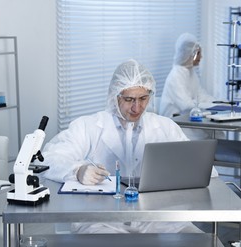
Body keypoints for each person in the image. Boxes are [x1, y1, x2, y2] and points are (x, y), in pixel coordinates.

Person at [42, 59, 217, 234]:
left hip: (158, 217)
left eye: (143, 98)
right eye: (129, 99)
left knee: (198, 245)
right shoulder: (88, 126)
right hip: (101, 220)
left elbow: (202, 169)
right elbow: (48, 159)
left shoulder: (165, 127)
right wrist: (77, 170)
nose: (137, 107)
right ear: (115, 96)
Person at [159, 33, 220, 140]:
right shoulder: (176, 76)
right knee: (207, 138)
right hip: (176, 124)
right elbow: (186, 105)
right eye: (199, 53)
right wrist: (209, 106)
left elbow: (200, 95)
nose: (201, 57)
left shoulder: (190, 72)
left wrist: (219, 103)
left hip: (188, 120)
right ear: (190, 54)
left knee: (217, 133)